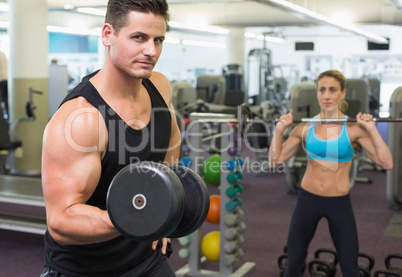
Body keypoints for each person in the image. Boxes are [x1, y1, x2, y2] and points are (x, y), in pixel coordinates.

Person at [40, 0, 181, 276]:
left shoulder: (160, 87)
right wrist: (142, 218)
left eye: (158, 40)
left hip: (147, 258)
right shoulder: (81, 119)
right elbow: (60, 221)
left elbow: (172, 143)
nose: (151, 51)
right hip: (84, 269)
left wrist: (166, 216)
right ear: (108, 35)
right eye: (138, 38)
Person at [268, 69, 393, 276]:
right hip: (307, 200)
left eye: (332, 90)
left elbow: (386, 163)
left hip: (339, 203)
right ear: (317, 92)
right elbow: (274, 162)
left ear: (342, 93)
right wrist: (279, 130)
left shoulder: (353, 129)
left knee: (350, 267)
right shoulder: (305, 128)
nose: (326, 96)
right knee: (293, 264)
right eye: (322, 90)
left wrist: (371, 129)